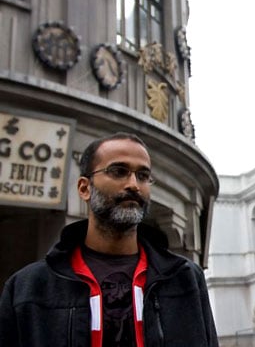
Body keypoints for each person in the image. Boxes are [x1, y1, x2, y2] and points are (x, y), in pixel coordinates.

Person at [0, 132, 219, 346]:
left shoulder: (185, 278)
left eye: (143, 176)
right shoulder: (27, 289)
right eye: (119, 171)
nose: (133, 184)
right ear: (85, 188)